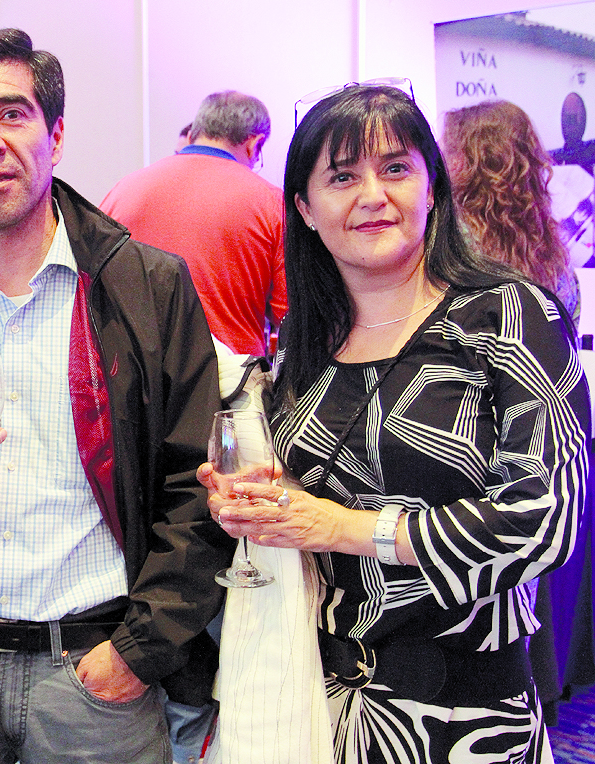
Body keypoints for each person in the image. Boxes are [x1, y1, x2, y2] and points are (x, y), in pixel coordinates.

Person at [0, 28, 228, 764]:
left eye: (11, 113)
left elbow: (197, 482)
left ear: (54, 134)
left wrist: (139, 650)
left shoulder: (147, 290)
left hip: (99, 675)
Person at [202, 84, 589, 763]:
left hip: (465, 713)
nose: (373, 195)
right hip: (319, 702)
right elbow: (312, 487)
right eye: (342, 176)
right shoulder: (304, 343)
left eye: (396, 168)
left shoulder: (508, 315)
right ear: (304, 208)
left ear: (432, 188)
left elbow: (544, 520)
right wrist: (264, 496)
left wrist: (338, 527)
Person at [102, 91, 286, 356]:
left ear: (194, 133)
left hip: (132, 371)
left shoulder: (123, 190)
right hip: (226, 376)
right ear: (254, 144)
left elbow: (91, 290)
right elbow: (290, 317)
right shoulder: (271, 203)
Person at [443, 100, 580, 323]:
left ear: (466, 163)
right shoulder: (555, 262)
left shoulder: (448, 246)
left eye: (447, 151)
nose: (440, 161)